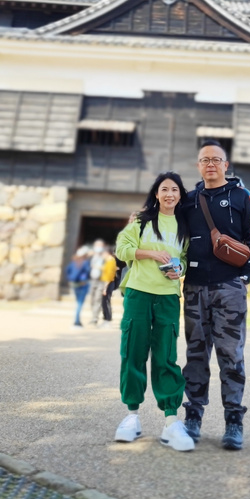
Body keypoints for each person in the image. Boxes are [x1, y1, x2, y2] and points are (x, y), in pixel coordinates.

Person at [181, 139, 250, 451]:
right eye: (205, 160)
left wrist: (245, 275)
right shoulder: (189, 200)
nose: (210, 164)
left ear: (226, 165)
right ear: (199, 166)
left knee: (231, 355)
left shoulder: (242, 196)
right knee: (196, 355)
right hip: (194, 288)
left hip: (229, 289)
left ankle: (233, 420)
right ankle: (193, 417)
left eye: (216, 159)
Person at [113, 172, 194, 452]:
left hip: (169, 297)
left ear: (180, 195)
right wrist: (150, 253)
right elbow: (123, 249)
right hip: (138, 293)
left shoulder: (184, 225)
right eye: (164, 189)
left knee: (166, 356)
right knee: (133, 352)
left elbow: (183, 259)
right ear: (156, 194)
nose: (170, 194)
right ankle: (131, 417)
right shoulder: (142, 220)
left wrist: (178, 270)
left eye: (174, 189)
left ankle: (171, 421)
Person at [65, 245, 92, 328]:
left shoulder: (73, 262)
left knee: (78, 303)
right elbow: (88, 271)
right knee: (80, 304)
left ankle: (78, 320)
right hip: (83, 285)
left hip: (74, 284)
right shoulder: (85, 262)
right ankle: (76, 321)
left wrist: (70, 279)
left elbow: (67, 270)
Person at [87, 239, 106, 325]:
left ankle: (95, 318)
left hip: (101, 281)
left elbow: (108, 269)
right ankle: (93, 315)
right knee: (92, 299)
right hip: (91, 280)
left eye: (100, 246)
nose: (98, 247)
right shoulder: (90, 256)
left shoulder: (105, 257)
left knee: (98, 299)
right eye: (97, 245)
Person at [100, 246, 117, 322]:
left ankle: (108, 318)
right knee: (104, 301)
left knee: (106, 301)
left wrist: (105, 287)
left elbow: (109, 275)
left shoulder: (110, 261)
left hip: (108, 283)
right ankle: (106, 317)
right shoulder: (108, 260)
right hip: (106, 282)